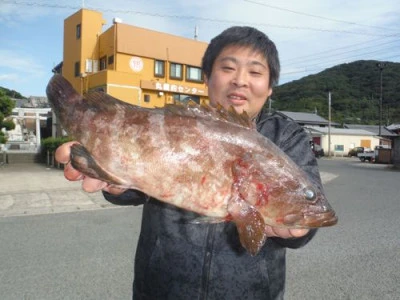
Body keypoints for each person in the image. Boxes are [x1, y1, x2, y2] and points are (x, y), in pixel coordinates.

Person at [56, 26, 323, 299]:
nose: (240, 80)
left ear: (269, 88)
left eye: (255, 72)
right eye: (228, 68)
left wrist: (296, 231)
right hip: (161, 289)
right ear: (206, 78)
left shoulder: (286, 137)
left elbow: (307, 221)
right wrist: (115, 183)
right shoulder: (174, 121)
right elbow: (137, 190)